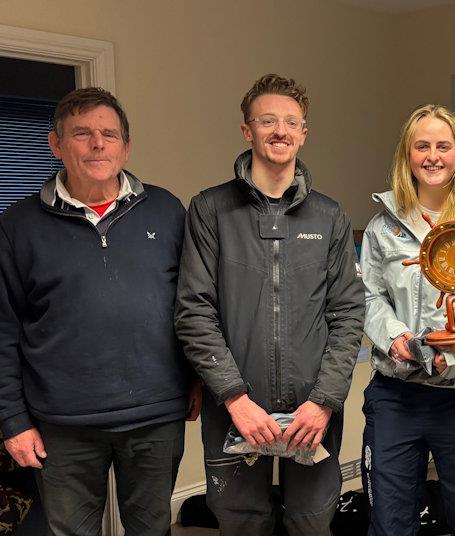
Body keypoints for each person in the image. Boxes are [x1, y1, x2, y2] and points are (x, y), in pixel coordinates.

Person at [0, 87, 199, 536]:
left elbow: (194, 305)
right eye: (82, 133)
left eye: (109, 135)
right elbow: (3, 329)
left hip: (155, 417)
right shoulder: (17, 227)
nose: (97, 144)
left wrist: (195, 379)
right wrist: (13, 420)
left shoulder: (167, 211)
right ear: (56, 144)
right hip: (61, 424)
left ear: (125, 147)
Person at [175, 74, 365, 535]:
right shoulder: (210, 210)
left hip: (312, 411)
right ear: (248, 130)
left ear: (303, 133)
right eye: (267, 120)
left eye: (291, 122)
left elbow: (348, 313)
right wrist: (235, 399)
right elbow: (194, 309)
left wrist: (323, 402)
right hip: (235, 407)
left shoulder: (330, 217)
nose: (280, 130)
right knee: (241, 520)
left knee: (312, 518)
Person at [359, 104, 455, 536]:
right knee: (391, 522)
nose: (433, 156)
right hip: (396, 396)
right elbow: (368, 296)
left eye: (444, 146)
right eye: (422, 146)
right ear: (407, 155)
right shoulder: (382, 227)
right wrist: (396, 336)